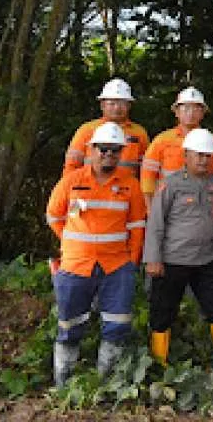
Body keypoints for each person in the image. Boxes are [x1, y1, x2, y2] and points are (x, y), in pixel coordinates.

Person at [45, 122, 147, 386]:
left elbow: (137, 226)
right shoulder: (71, 181)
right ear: (91, 149)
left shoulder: (130, 185)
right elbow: (54, 217)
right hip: (76, 267)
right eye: (103, 149)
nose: (108, 155)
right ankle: (63, 385)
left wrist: (131, 262)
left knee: (117, 326)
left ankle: (105, 384)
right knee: (69, 326)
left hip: (117, 267)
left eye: (115, 150)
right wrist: (73, 245)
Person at [143, 128, 213, 379]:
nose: (203, 160)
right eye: (198, 155)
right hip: (172, 261)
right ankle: (159, 366)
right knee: (163, 312)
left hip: (206, 261)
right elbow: (155, 223)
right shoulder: (171, 184)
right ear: (185, 155)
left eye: (208, 156)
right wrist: (153, 258)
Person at [64, 78, 150, 178]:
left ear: (129, 106)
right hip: (91, 188)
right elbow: (71, 165)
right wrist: (70, 188)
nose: (117, 107)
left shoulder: (139, 133)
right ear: (102, 105)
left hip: (126, 189)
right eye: (112, 103)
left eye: (122, 103)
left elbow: (146, 169)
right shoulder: (87, 130)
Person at [141, 87, 212, 204]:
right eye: (186, 108)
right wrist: (151, 209)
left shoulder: (212, 141)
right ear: (177, 112)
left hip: (201, 204)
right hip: (168, 203)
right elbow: (147, 176)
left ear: (203, 113)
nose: (191, 113)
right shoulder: (162, 140)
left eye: (196, 108)